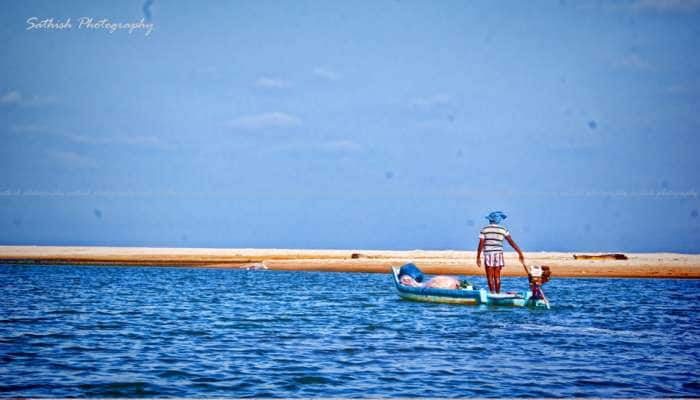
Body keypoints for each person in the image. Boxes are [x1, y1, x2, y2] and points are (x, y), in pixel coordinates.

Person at [476, 211, 527, 293]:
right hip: (499, 255)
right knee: (497, 276)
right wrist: (519, 252)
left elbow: (481, 244)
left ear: (490, 220)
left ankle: (492, 293)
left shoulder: (485, 229)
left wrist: (478, 257)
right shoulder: (503, 229)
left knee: (489, 276)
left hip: (488, 254)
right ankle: (498, 293)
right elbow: (511, 242)